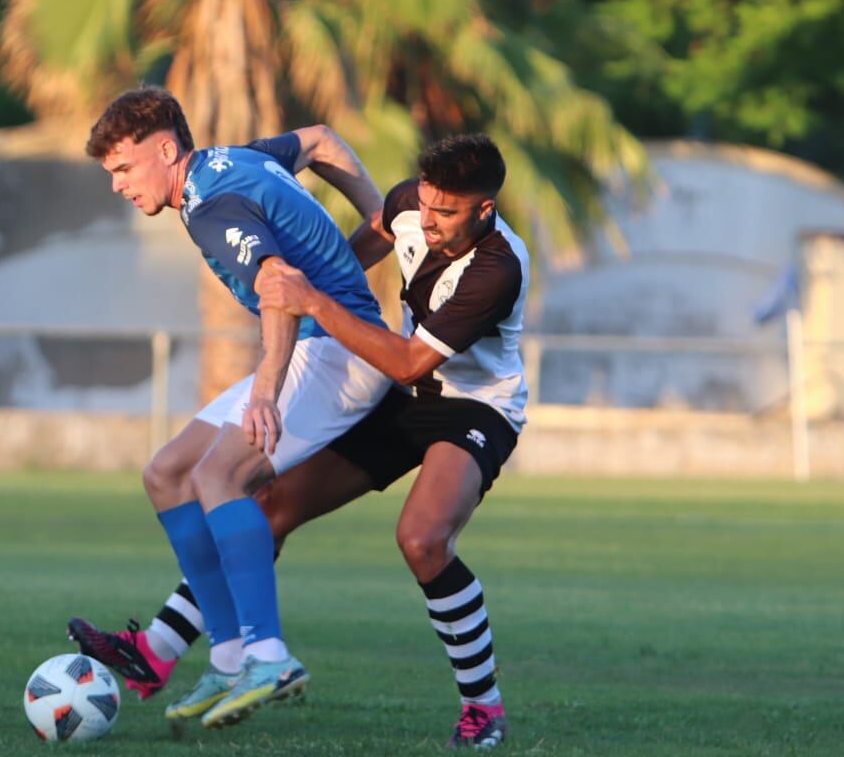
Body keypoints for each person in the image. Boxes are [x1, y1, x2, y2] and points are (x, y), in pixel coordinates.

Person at [72, 134, 529, 749]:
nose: (430, 220)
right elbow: (349, 253)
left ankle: (484, 708)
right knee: (263, 507)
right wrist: (308, 290)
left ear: (484, 210)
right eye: (425, 205)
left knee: (421, 540)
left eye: (447, 213)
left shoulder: (498, 268)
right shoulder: (408, 207)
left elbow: (411, 363)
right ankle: (162, 648)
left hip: (472, 406)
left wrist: (309, 301)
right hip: (402, 395)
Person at [83, 87, 393, 731]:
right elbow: (320, 138)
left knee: (218, 478)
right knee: (166, 473)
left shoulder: (209, 206)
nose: (117, 185)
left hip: (337, 355)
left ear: (165, 150)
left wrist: (265, 391)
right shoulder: (233, 159)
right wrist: (383, 218)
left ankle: (268, 656)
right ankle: (226, 658)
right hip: (317, 345)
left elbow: (278, 284)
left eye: (123, 168)